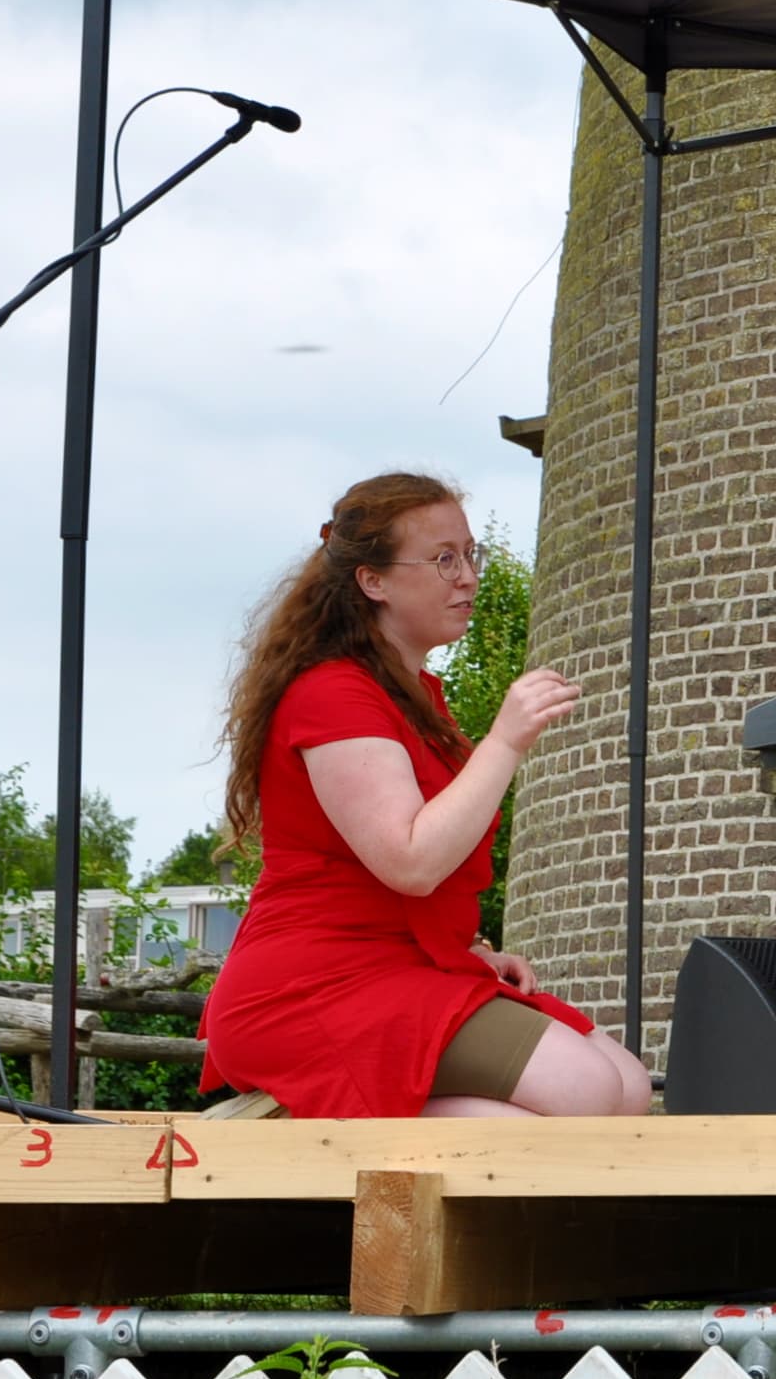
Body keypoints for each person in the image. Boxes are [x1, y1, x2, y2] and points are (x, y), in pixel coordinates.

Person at [202, 473, 650, 1119]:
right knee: (585, 1090)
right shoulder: (331, 695)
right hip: (310, 987)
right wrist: (506, 738)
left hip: (398, 967)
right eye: (444, 558)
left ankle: (361, 1124)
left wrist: (474, 953)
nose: (467, 576)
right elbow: (410, 860)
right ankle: (316, 1127)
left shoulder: (415, 698)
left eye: (471, 554)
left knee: (628, 1086)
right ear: (373, 581)